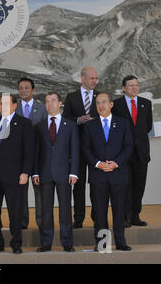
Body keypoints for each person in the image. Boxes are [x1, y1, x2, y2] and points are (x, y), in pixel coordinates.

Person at [0, 94, 34, 254]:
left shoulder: (24, 123)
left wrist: (25, 172)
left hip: (15, 175)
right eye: (0, 104)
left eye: (5, 103)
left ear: (14, 105)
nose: (2, 106)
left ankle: (16, 243)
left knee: (15, 211)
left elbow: (29, 151)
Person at [82, 93, 133, 251]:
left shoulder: (123, 123)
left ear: (111, 104)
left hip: (118, 174)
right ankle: (102, 244)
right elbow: (85, 148)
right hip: (98, 175)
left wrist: (116, 163)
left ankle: (120, 242)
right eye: (98, 103)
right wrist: (98, 164)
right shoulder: (89, 125)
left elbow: (128, 146)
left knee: (119, 211)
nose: (101, 106)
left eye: (104, 102)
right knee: (99, 213)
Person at [33, 92, 79, 252]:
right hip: (44, 173)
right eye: (47, 101)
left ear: (60, 104)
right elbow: (36, 152)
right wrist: (35, 172)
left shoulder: (70, 125)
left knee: (65, 209)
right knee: (46, 210)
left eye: (53, 101)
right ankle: (46, 243)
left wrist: (74, 172)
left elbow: (75, 151)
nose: (50, 104)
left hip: (64, 174)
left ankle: (67, 242)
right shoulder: (39, 126)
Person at [112, 75, 153, 227]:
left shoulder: (146, 103)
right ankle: (125, 216)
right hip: (123, 153)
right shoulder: (116, 104)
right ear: (124, 88)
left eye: (136, 85)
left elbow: (147, 127)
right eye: (130, 85)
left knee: (139, 185)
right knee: (124, 185)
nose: (134, 88)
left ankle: (135, 215)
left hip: (141, 152)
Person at [63, 66, 99, 228]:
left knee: (97, 184)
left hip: (96, 148)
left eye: (96, 78)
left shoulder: (101, 97)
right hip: (76, 147)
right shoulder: (71, 97)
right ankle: (78, 218)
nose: (94, 81)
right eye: (92, 78)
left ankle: (97, 216)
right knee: (78, 185)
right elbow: (65, 120)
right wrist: (78, 120)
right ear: (83, 78)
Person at [15, 77, 47, 229]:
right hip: (19, 156)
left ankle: (41, 223)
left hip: (38, 154)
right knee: (20, 191)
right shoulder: (15, 108)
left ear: (33, 90)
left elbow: (46, 131)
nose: (23, 90)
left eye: (27, 87)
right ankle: (22, 223)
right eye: (21, 88)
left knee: (39, 190)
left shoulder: (41, 108)